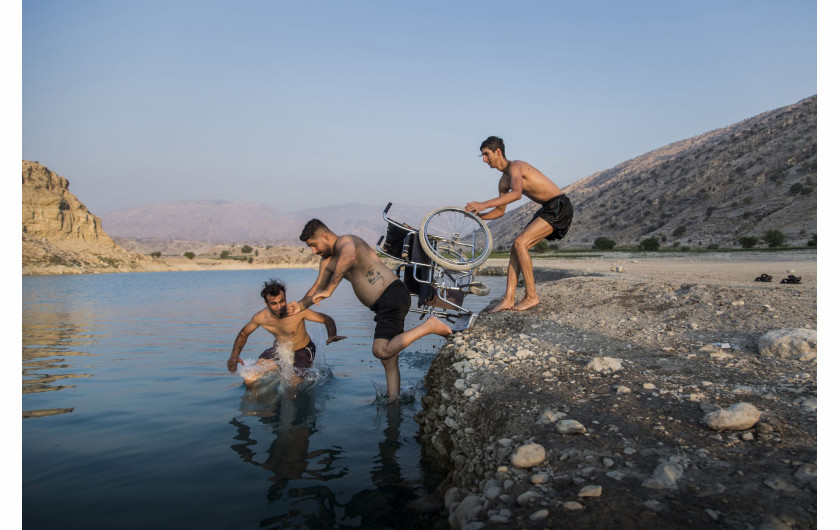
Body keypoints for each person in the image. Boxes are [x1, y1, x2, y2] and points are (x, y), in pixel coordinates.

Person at [287, 219, 453, 402]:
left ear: (324, 236)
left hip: (391, 295)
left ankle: (430, 326)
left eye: (313, 245)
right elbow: (316, 289)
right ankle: (393, 400)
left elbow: (348, 260)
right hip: (382, 305)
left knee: (380, 350)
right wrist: (300, 306)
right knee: (388, 358)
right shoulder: (327, 262)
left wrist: (330, 290)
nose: (314, 251)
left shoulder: (348, 242)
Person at [466, 136, 573, 312]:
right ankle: (508, 299)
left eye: (486, 154)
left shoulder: (516, 166)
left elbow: (516, 194)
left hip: (559, 205)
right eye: (482, 156)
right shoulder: (502, 182)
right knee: (516, 247)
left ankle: (531, 297)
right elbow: (500, 211)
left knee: (520, 243)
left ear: (498, 151)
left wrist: (483, 203)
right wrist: (480, 216)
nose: (484, 160)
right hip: (547, 207)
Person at [228, 278, 346, 386]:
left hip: (303, 350)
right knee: (250, 378)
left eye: (282, 301)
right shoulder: (261, 317)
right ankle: (260, 405)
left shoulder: (298, 311)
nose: (279, 307)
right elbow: (244, 333)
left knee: (292, 384)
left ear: (286, 298)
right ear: (267, 304)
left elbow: (326, 319)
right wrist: (234, 356)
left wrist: (332, 334)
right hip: (280, 349)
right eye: (274, 304)